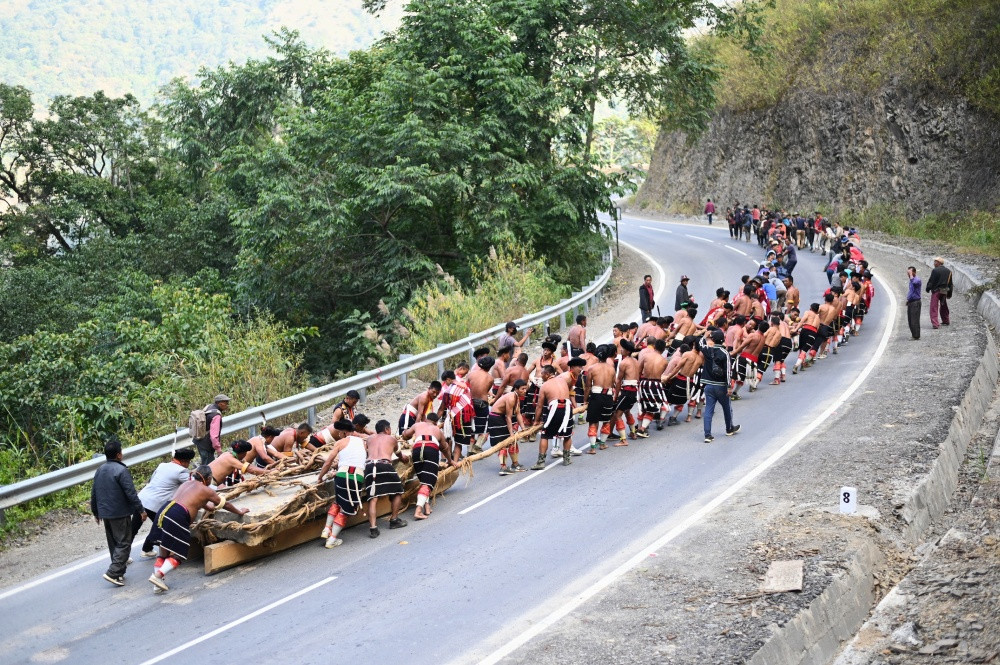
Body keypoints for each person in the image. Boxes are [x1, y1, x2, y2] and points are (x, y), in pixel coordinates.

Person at [147, 465, 248, 591]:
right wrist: (240, 511)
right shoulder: (207, 491)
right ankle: (158, 576)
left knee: (164, 547)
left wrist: (213, 506)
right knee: (179, 554)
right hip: (177, 515)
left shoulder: (186, 484)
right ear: (209, 478)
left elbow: (208, 506)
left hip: (164, 510)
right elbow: (225, 504)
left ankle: (157, 586)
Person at [91, 437, 145, 586]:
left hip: (105, 513)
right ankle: (113, 573)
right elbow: (131, 493)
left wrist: (96, 512)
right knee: (124, 542)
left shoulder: (100, 470)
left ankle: (119, 572)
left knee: (113, 543)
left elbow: (94, 492)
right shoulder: (121, 470)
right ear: (119, 455)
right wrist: (141, 510)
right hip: (119, 513)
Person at [134, 447, 196, 558]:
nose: (189, 464)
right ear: (184, 461)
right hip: (155, 504)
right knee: (161, 527)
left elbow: (152, 479)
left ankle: (125, 555)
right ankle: (152, 550)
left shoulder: (162, 465)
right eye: (188, 462)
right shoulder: (181, 471)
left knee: (133, 529)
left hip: (142, 499)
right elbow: (195, 484)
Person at [316, 420, 365, 547]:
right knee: (348, 509)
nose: (338, 435)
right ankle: (332, 540)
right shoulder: (362, 442)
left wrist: (320, 477)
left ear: (344, 432)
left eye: (339, 432)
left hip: (342, 476)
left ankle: (327, 529)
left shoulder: (340, 443)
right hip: (355, 477)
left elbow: (328, 462)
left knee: (338, 502)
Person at [363, 420, 408, 538]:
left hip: (369, 466)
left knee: (372, 498)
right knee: (398, 491)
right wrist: (403, 458)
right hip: (384, 465)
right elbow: (398, 453)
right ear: (387, 429)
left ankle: (373, 528)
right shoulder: (392, 439)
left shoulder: (369, 439)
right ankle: (394, 520)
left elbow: (367, 452)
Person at [401, 414, 452, 519]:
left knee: (424, 481)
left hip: (417, 450)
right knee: (428, 482)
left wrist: (404, 433)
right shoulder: (437, 430)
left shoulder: (417, 425)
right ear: (435, 422)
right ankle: (418, 510)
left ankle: (427, 507)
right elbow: (445, 448)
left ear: (426, 420)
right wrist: (450, 461)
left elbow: (406, 435)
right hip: (430, 450)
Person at [699, 330, 739, 443]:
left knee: (708, 411)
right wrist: (729, 387)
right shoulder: (724, 353)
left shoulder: (707, 349)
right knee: (727, 408)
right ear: (723, 340)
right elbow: (727, 372)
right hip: (721, 387)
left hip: (708, 386)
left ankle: (707, 435)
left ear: (712, 339)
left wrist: (705, 335)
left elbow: (700, 344)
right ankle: (729, 428)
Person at [488, 380, 528, 475]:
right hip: (496, 418)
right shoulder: (511, 398)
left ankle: (515, 464)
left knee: (512, 442)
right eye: (523, 389)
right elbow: (508, 417)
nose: (525, 391)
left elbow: (518, 414)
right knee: (504, 443)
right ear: (516, 389)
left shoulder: (517, 397)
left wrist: (523, 428)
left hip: (500, 417)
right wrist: (511, 434)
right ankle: (503, 467)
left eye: (526, 388)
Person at [193, 394, 230, 466]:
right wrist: (219, 450)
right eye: (226, 403)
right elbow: (214, 436)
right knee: (209, 467)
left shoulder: (209, 407)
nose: (227, 405)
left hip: (200, 441)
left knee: (204, 465)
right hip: (206, 445)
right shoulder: (216, 416)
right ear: (220, 403)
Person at [925, 257, 952, 329]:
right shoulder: (949, 271)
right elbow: (950, 283)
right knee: (943, 305)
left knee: (934, 306)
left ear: (939, 263)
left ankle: (935, 323)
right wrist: (949, 294)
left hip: (936, 291)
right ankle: (946, 320)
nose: (934, 263)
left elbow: (931, 281)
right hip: (944, 291)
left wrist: (928, 288)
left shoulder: (935, 270)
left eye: (935, 262)